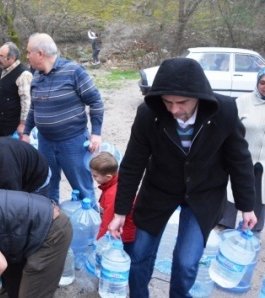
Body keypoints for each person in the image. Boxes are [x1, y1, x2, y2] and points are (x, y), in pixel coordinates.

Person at [107, 57, 257, 298]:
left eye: (182, 102)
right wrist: (120, 211)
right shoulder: (148, 114)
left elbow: (239, 160)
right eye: (168, 102)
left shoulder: (225, 110)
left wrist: (246, 206)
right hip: (159, 190)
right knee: (140, 254)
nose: (174, 109)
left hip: (204, 193)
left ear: (199, 96)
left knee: (187, 262)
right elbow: (133, 164)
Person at [23, 32, 104, 204]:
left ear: (40, 54)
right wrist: (26, 132)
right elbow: (33, 108)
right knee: (46, 185)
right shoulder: (36, 76)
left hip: (72, 142)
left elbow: (95, 101)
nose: (27, 56)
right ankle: (53, 223)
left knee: (82, 187)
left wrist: (96, 133)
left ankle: (89, 224)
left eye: (29, 52)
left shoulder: (74, 71)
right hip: (45, 143)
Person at [219, 66, 265, 232]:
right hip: (242, 158)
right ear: (257, 82)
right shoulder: (243, 102)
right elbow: (228, 128)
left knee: (261, 195)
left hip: (264, 162)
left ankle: (254, 228)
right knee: (233, 192)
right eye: (262, 82)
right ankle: (225, 224)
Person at [90, 152, 135, 253]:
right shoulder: (112, 185)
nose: (93, 178)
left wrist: (99, 242)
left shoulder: (112, 195)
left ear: (108, 177)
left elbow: (108, 223)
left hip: (122, 236)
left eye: (95, 176)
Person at [0, 42, 32, 138]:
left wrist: (23, 124)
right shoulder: (1, 68)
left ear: (12, 58)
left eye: (2, 56)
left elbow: (26, 102)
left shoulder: (23, 74)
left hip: (12, 128)